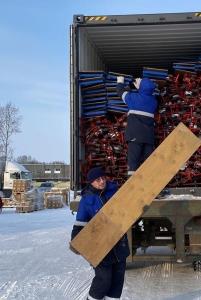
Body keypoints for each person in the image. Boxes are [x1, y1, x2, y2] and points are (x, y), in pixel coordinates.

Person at [70, 166, 130, 300]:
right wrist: (76, 241)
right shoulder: (86, 200)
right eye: (98, 180)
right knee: (104, 278)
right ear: (91, 182)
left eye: (103, 178)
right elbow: (80, 223)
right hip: (99, 246)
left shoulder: (115, 193)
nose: (102, 181)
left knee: (117, 279)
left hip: (119, 243)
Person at [117, 76, 157, 178]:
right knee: (149, 162)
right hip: (148, 138)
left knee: (133, 162)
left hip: (135, 136)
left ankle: (132, 185)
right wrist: (140, 88)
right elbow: (149, 94)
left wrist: (120, 82)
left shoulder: (133, 98)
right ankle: (151, 182)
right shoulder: (153, 102)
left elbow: (120, 93)